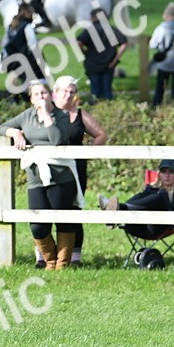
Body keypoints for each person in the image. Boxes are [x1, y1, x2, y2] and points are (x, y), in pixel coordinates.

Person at [0, 79, 80, 269]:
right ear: (31, 99)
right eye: (36, 95)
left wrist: (46, 115)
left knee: (63, 221)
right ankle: (49, 260)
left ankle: (62, 264)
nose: (41, 97)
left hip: (61, 177)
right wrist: (15, 133)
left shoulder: (61, 115)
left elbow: (57, 139)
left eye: (43, 93)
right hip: (35, 179)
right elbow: (1, 127)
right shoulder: (27, 116)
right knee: (38, 224)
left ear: (50, 95)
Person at [55, 75, 107, 267]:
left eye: (72, 92)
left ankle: (74, 257)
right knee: (48, 210)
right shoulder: (46, 113)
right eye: (65, 91)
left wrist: (89, 153)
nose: (68, 95)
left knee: (74, 210)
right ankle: (47, 256)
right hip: (50, 169)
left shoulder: (79, 115)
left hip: (76, 170)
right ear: (56, 92)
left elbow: (101, 135)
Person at [98, 159, 174, 239]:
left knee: (158, 198)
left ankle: (119, 210)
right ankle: (119, 209)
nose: (167, 175)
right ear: (159, 174)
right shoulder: (151, 188)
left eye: (171, 172)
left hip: (162, 225)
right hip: (137, 226)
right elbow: (136, 201)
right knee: (146, 194)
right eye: (163, 172)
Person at [77, 7, 128, 101]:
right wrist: (115, 60)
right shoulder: (111, 29)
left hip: (93, 64)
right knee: (107, 91)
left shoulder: (91, 30)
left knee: (95, 91)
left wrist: (84, 52)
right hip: (108, 64)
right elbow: (124, 44)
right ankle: (108, 108)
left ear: (93, 17)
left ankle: (95, 110)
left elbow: (79, 42)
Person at [148, 2, 174, 107]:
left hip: (164, 63)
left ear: (166, 16)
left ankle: (156, 107)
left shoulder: (161, 29)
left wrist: (161, 48)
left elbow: (152, 45)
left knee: (160, 88)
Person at [0, 3, 44, 94]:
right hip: (26, 60)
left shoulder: (11, 26)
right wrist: (40, 60)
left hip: (13, 61)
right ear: (28, 13)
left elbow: (5, 43)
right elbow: (33, 45)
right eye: (32, 13)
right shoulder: (26, 26)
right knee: (39, 84)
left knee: (23, 85)